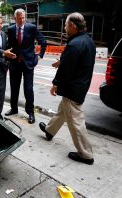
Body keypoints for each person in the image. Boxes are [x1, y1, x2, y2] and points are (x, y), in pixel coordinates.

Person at [39, 12, 96, 165]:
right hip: (80, 85)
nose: (64, 28)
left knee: (75, 121)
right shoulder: (87, 41)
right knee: (63, 110)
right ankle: (50, 131)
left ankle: (86, 154)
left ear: (72, 26)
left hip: (73, 88)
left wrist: (55, 84)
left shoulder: (74, 44)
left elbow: (67, 70)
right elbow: (75, 61)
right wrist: (62, 61)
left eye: (65, 25)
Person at [5, 8, 47, 124]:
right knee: (14, 88)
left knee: (28, 89)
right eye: (19, 18)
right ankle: (14, 109)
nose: (21, 20)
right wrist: (7, 56)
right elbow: (9, 45)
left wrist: (40, 57)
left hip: (28, 63)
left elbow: (43, 42)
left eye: (23, 17)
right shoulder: (11, 29)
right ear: (15, 18)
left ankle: (31, 113)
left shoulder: (32, 28)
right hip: (14, 64)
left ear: (25, 17)